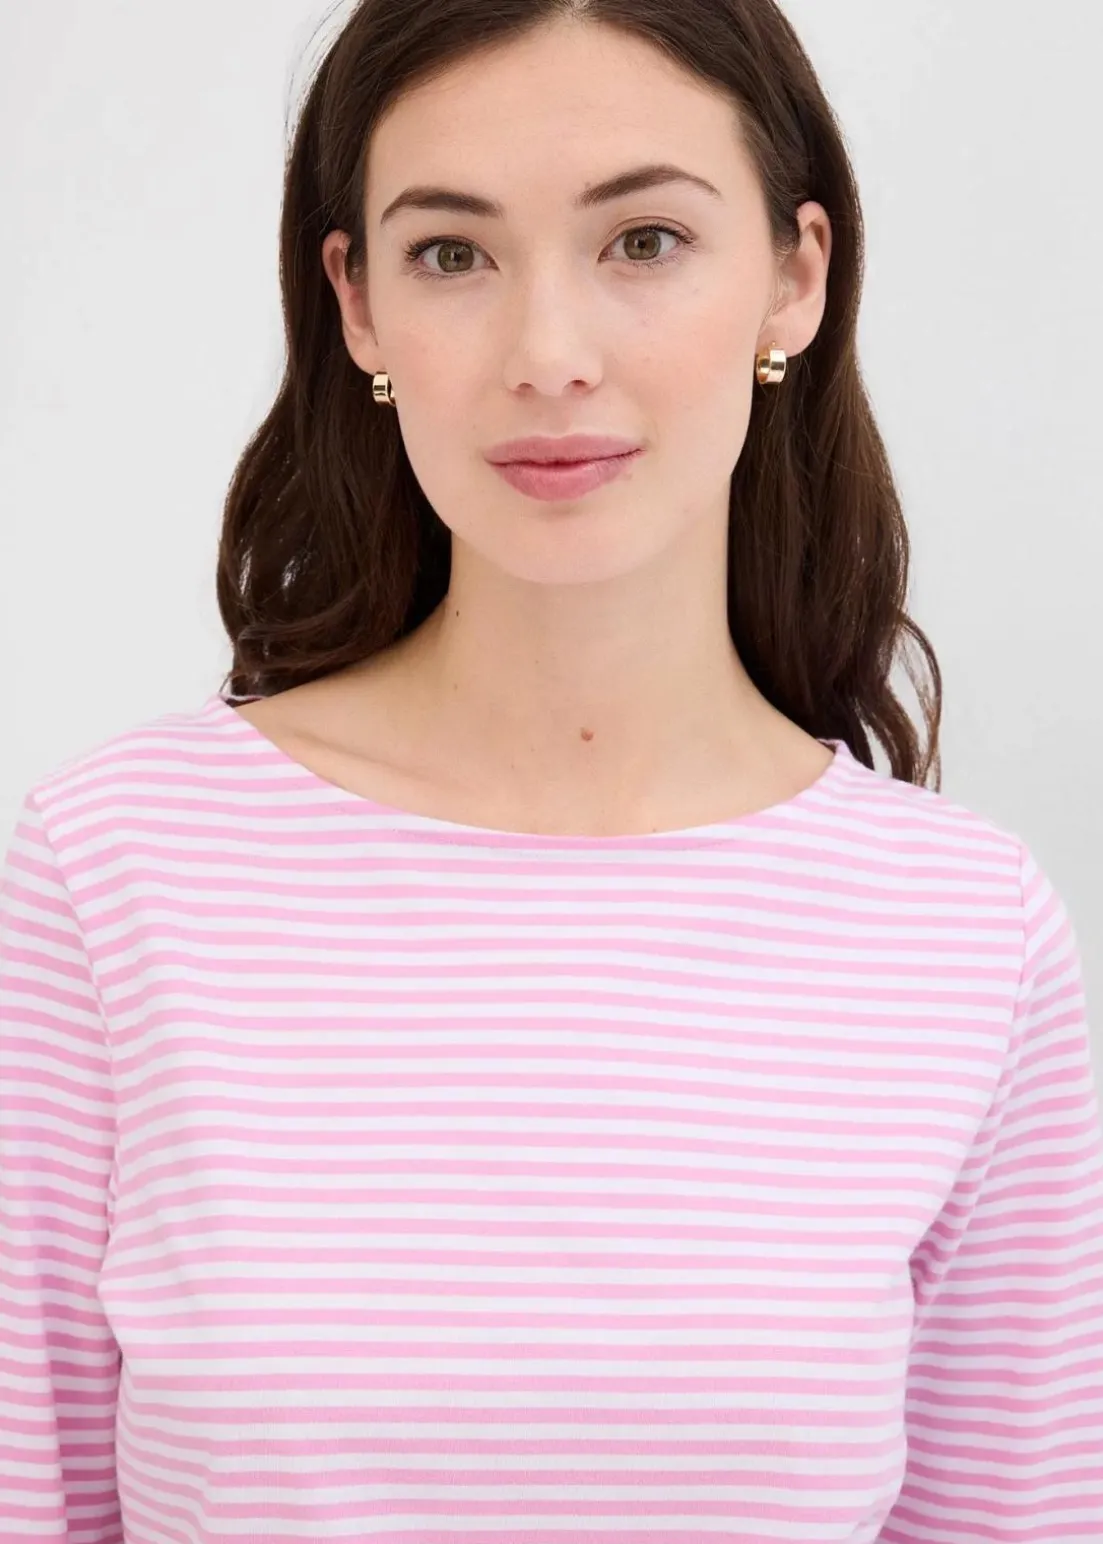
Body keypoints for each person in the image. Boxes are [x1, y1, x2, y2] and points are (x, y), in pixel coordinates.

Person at [2, 1, 1101, 1539]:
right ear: (357, 303)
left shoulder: (965, 934)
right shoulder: (112, 874)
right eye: (452, 253)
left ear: (794, 276)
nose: (547, 357)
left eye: (643, 241)